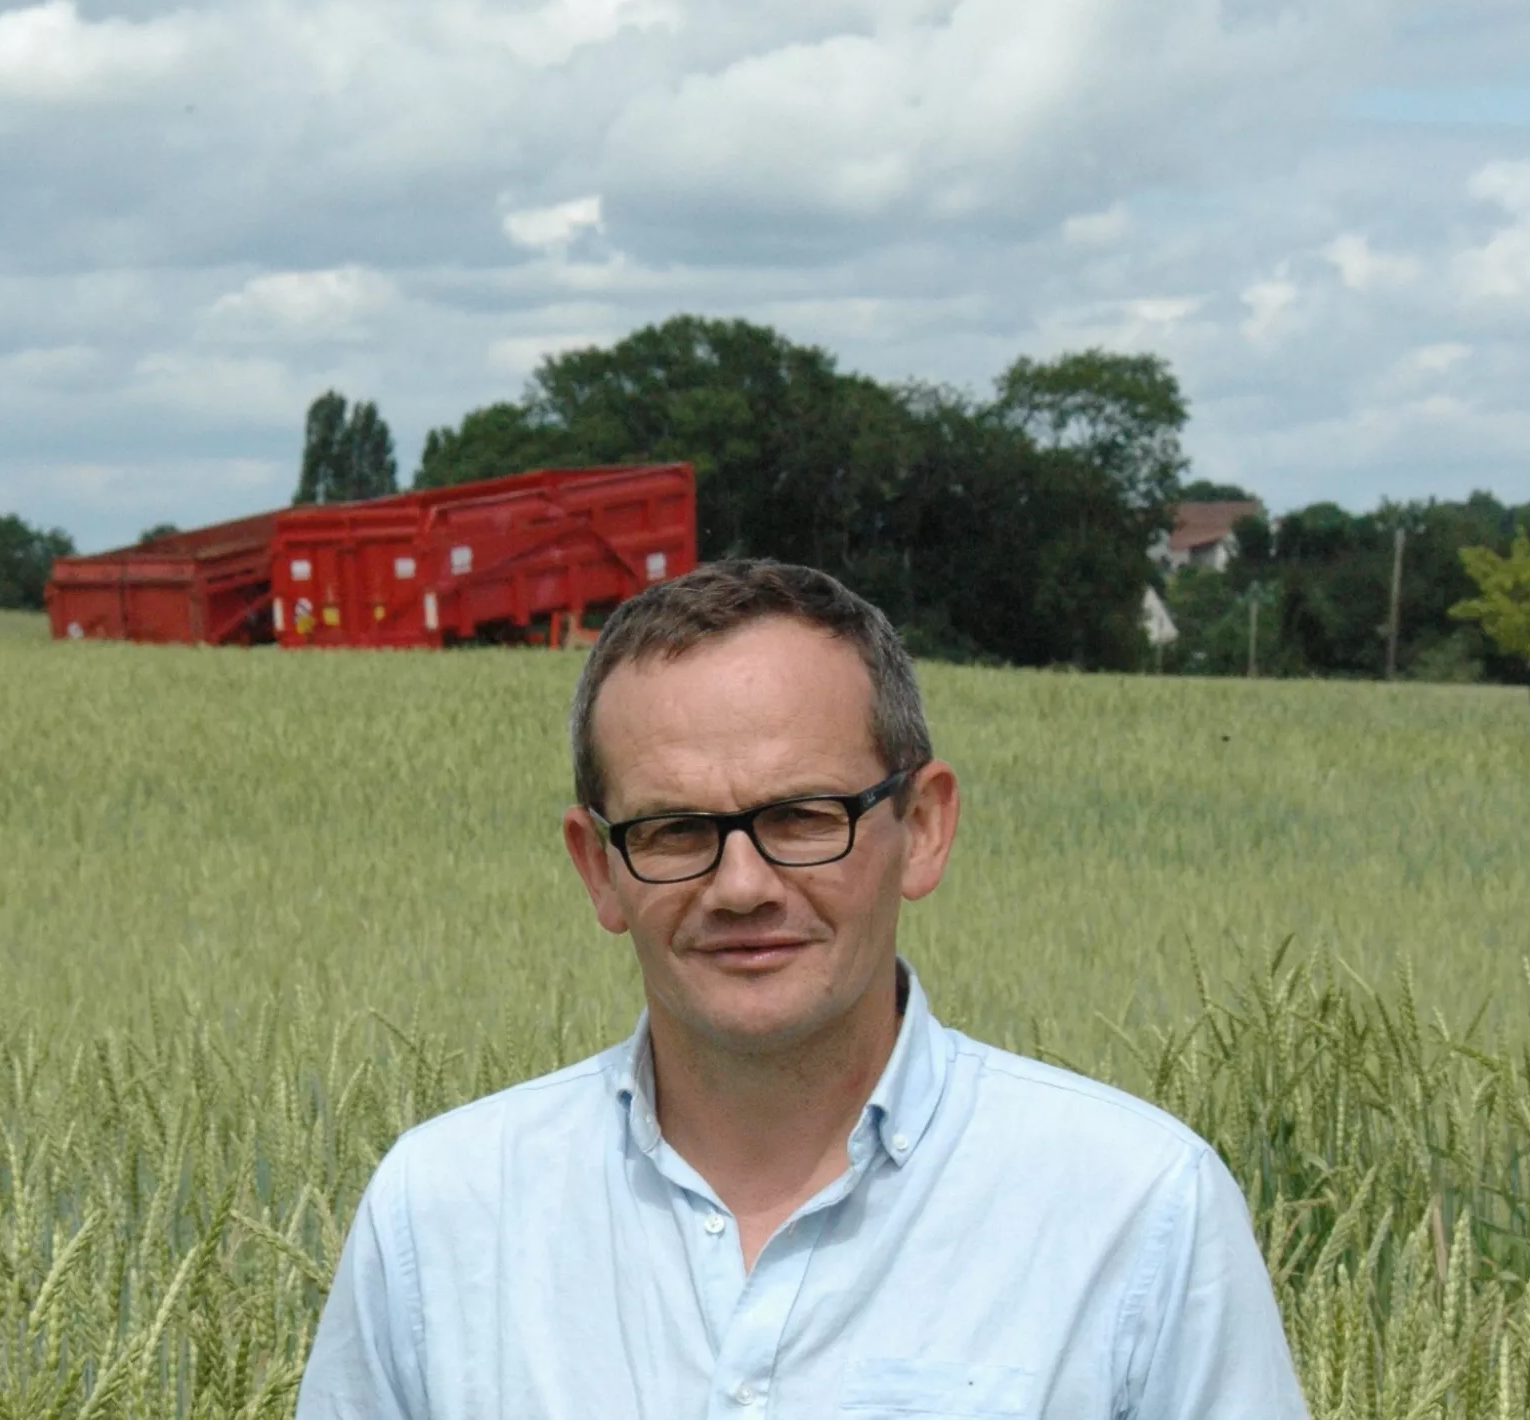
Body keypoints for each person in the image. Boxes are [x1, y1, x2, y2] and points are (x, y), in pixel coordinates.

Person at [297, 560, 1307, 1418]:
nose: (740, 886)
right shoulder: (441, 1216)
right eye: (674, 830)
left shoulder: (1135, 1211)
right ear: (597, 868)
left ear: (922, 828)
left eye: (802, 817)